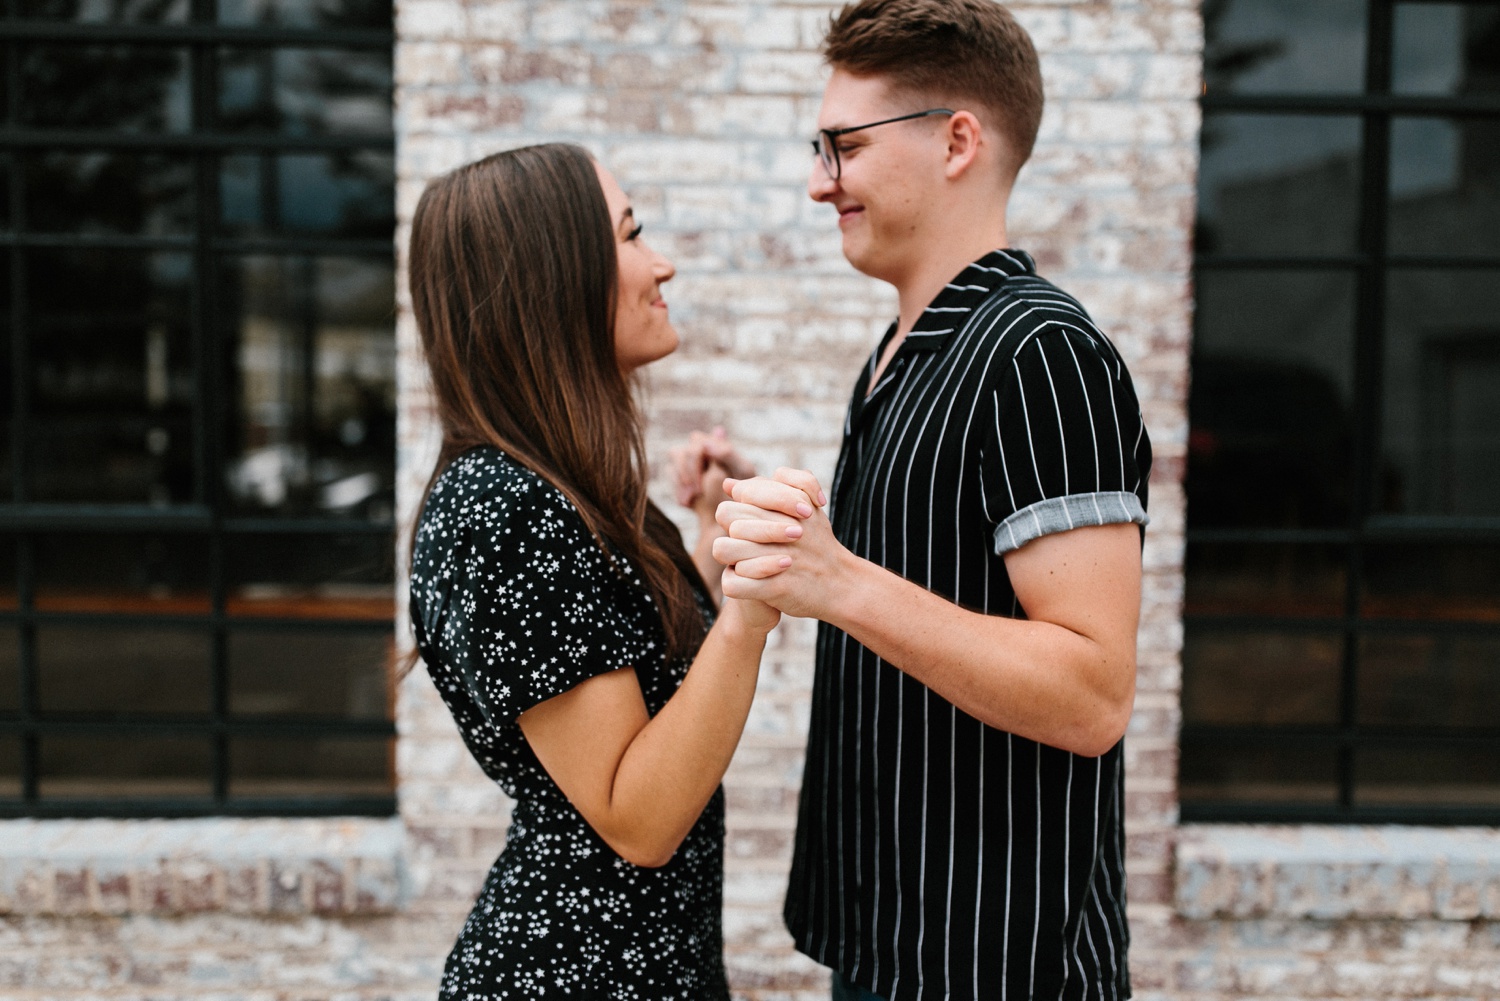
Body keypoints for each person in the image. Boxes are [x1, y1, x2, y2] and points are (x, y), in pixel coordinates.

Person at [698, 2, 1153, 999]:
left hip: (995, 969)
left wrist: (837, 577)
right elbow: (928, 574)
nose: (821, 182)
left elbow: (1092, 691)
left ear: (957, 140)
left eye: (845, 147)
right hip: (888, 950)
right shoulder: (900, 360)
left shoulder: (1041, 355)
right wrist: (757, 516)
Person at [405, 142, 770, 1000]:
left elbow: (657, 705)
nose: (662, 263)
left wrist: (717, 551)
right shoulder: (500, 509)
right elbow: (636, 815)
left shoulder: (563, 486)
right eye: (632, 236)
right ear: (552, 282)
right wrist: (755, 607)